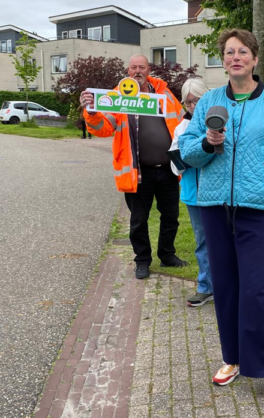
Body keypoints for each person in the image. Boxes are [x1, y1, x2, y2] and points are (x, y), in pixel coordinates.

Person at [178, 29, 264, 411]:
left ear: (254, 59)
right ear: (223, 59)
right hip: (215, 207)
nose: (236, 57)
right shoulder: (210, 102)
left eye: (243, 52)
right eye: (229, 52)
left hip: (263, 209)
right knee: (227, 288)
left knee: (258, 290)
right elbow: (187, 150)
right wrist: (206, 144)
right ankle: (233, 358)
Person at [80, 54, 188, 280]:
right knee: (139, 220)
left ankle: (167, 255)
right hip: (139, 172)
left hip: (168, 170)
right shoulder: (115, 97)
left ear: (149, 69)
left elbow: (181, 123)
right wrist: (90, 111)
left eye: (142, 67)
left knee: (171, 217)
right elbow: (103, 128)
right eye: (133, 67)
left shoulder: (163, 93)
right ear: (127, 71)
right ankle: (142, 261)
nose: (137, 71)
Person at [168, 77, 214, 307]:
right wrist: (188, 158)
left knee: (226, 239)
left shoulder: (218, 122)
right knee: (202, 242)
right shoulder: (181, 127)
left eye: (197, 100)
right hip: (194, 195)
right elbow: (174, 165)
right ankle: (206, 287)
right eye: (188, 102)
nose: (193, 106)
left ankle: (228, 285)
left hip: (219, 193)